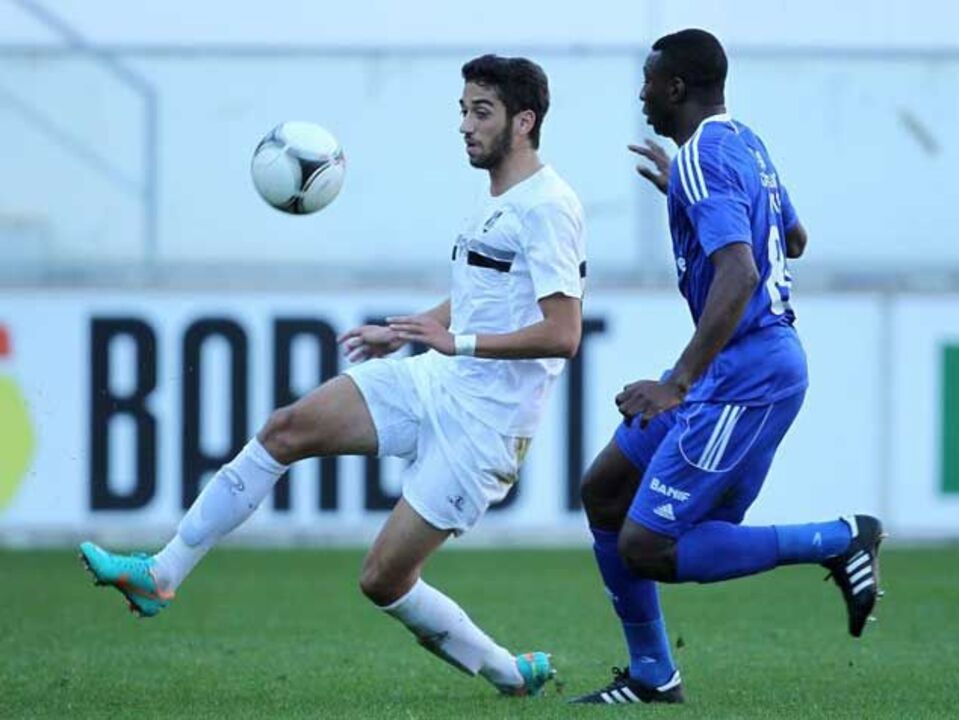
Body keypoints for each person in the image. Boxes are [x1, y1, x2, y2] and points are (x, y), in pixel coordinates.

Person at [79, 54, 586, 698]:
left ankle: (506, 673)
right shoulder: (497, 201)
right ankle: (162, 573)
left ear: (525, 122)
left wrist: (452, 341)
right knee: (286, 430)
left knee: (382, 580)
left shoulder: (550, 207)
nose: (464, 125)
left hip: (485, 426)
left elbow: (562, 334)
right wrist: (403, 332)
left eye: (480, 112)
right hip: (436, 381)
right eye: (462, 110)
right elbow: (486, 295)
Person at [570, 29, 884, 705]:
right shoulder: (743, 143)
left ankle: (837, 539)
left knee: (647, 546)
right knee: (603, 489)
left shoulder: (698, 158)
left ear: (675, 87)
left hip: (746, 372)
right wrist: (686, 200)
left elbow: (738, 273)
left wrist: (674, 383)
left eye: (649, 81)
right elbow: (792, 239)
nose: (641, 93)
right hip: (742, 365)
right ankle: (654, 674)